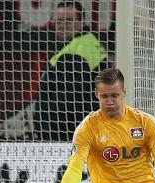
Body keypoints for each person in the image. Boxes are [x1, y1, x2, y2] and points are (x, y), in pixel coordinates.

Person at [34, 1, 109, 141]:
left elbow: (66, 102)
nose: (62, 26)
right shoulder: (86, 44)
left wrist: (47, 133)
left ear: (81, 22)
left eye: (68, 21)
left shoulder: (75, 53)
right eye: (58, 21)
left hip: (65, 138)